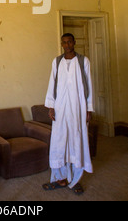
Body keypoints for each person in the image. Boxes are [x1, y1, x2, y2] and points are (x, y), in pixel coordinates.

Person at [42, 33, 94, 195]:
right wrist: (51, 106)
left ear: (74, 42)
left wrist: (88, 108)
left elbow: (89, 86)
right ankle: (60, 178)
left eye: (69, 41)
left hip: (78, 108)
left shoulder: (83, 61)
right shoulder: (56, 62)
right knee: (59, 142)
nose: (67, 45)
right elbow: (52, 84)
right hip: (60, 108)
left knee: (77, 141)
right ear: (62, 44)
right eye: (64, 42)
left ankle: (75, 180)